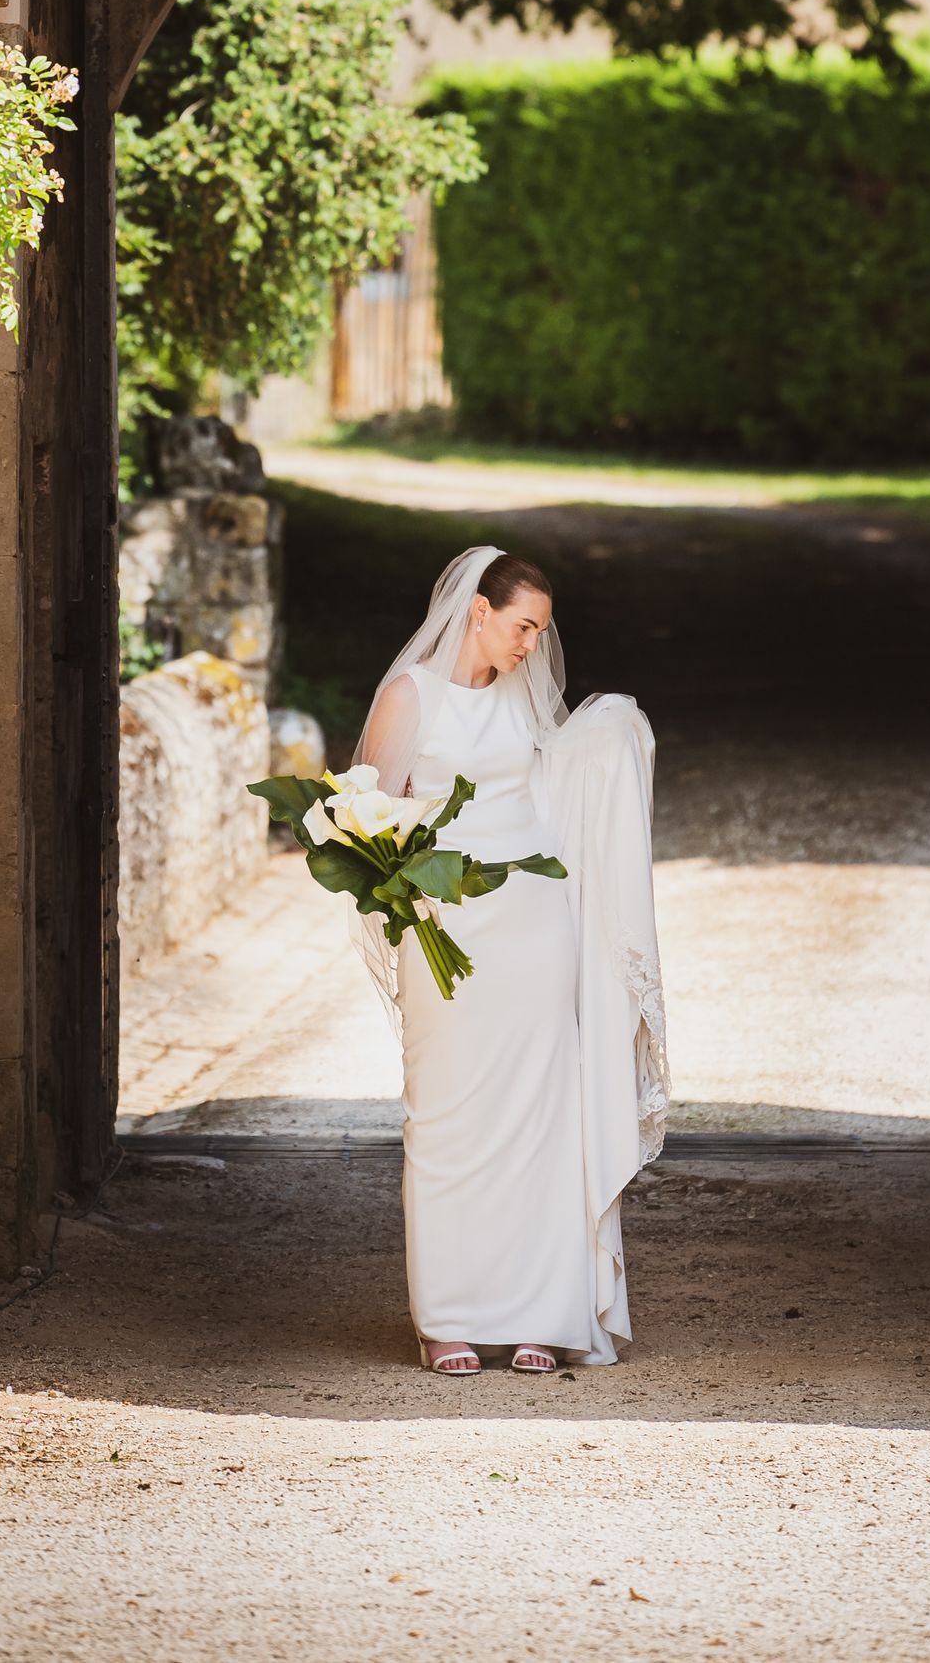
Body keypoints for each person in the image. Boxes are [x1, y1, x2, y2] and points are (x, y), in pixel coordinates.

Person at [356, 545, 667, 1373]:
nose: (533, 645)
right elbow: (366, 815)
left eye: (542, 631)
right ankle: (447, 1317)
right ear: (479, 612)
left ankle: (544, 1311)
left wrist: (613, 740)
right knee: (448, 1115)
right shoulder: (409, 697)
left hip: (534, 920)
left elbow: (560, 790)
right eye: (524, 626)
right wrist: (406, 893)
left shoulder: (526, 704)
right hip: (445, 927)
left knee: (540, 1113)